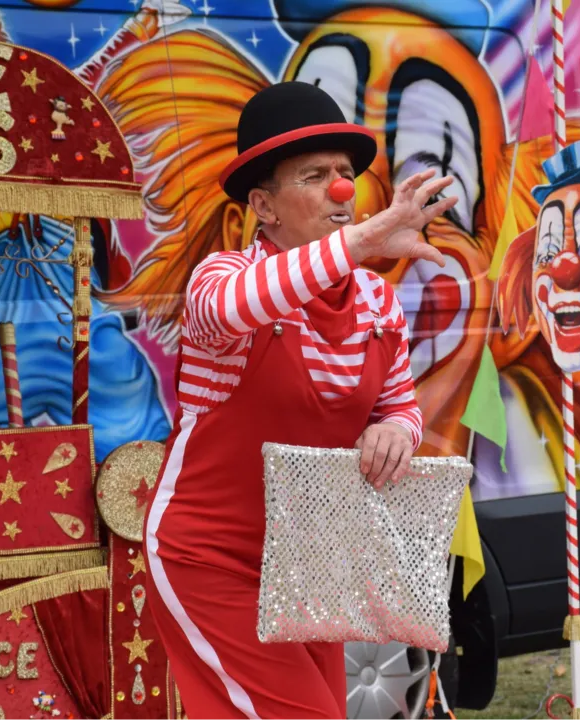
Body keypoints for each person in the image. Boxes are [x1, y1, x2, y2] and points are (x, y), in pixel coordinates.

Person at [142, 81, 457, 718]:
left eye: (345, 174)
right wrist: (362, 242)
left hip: (311, 563)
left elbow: (398, 405)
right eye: (315, 176)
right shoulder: (222, 278)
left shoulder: (376, 301)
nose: (342, 191)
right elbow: (232, 309)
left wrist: (396, 429)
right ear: (263, 205)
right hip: (208, 558)